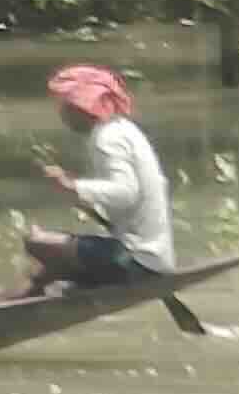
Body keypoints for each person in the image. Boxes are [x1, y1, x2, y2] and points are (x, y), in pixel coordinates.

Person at [22, 63, 172, 294]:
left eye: (65, 106)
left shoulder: (107, 138)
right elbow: (125, 201)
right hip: (151, 255)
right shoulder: (124, 130)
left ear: (81, 107)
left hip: (135, 260)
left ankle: (42, 289)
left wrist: (74, 185)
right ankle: (35, 290)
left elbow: (126, 193)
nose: (62, 113)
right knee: (54, 249)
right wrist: (76, 193)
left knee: (37, 242)